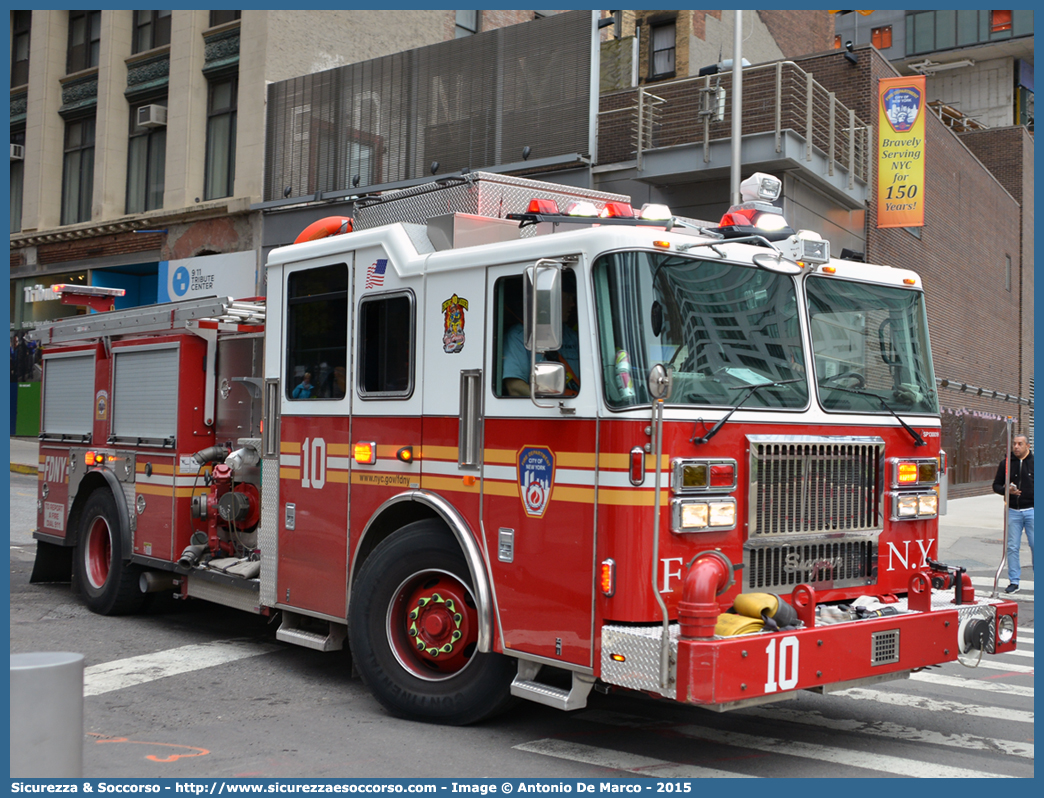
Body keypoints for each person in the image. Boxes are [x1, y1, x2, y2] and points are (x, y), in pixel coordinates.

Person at [502, 284, 580, 397]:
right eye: (568, 297)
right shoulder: (519, 336)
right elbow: (515, 388)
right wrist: (550, 405)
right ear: (549, 300)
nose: (572, 304)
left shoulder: (571, 336)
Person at [992, 433, 1034, 593]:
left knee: (1035, 545)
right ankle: (1014, 581)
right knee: (1012, 547)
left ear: (1027, 446)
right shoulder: (1006, 464)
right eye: (1014, 444)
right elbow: (996, 485)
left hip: (1032, 510)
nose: (1016, 447)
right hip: (1013, 511)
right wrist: (1006, 491)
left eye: (1020, 444)